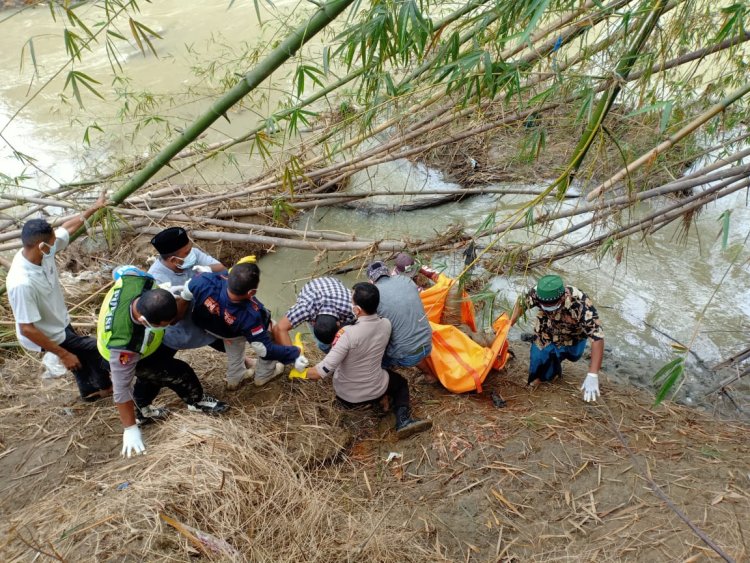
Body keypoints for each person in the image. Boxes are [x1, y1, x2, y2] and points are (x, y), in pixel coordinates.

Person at [97, 267, 229, 458]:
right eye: (163, 325)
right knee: (178, 371)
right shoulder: (125, 344)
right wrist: (129, 428)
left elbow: (120, 270)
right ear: (144, 320)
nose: (168, 326)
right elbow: (121, 388)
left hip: (145, 346)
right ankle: (196, 401)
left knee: (153, 375)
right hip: (119, 354)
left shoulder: (138, 279)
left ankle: (143, 408)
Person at [7, 194, 112, 401]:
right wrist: (62, 354)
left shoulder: (43, 251)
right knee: (96, 348)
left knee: (80, 357)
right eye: (52, 241)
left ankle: (92, 392)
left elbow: (68, 228)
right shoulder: (21, 282)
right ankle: (111, 385)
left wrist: (94, 208)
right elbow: (26, 328)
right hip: (46, 332)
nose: (56, 243)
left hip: (58, 320)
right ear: (41, 246)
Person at [305, 282, 432, 438]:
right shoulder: (386, 325)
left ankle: (381, 403)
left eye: (352, 302)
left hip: (347, 397)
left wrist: (301, 371)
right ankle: (403, 420)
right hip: (376, 389)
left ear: (357, 310)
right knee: (400, 384)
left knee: (391, 380)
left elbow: (321, 372)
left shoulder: (346, 335)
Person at [147, 227, 255, 391]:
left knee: (229, 338)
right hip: (180, 332)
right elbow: (174, 318)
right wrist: (186, 294)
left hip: (206, 319)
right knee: (156, 365)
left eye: (190, 249)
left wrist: (207, 271)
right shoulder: (156, 278)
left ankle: (241, 366)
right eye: (186, 252)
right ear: (173, 260)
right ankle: (142, 404)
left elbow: (222, 269)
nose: (192, 254)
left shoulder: (193, 255)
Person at [181, 263, 308, 384]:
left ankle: (235, 378)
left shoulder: (203, 280)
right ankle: (264, 376)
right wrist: (294, 354)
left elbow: (186, 291)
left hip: (211, 326)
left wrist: (208, 272)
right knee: (271, 333)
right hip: (234, 332)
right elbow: (264, 350)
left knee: (234, 349)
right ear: (251, 292)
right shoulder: (250, 316)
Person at [509, 274, 604, 402]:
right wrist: (509, 324)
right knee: (539, 363)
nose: (549, 308)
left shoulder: (581, 304)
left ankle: (557, 358)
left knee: (574, 356)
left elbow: (597, 337)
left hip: (573, 336)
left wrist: (593, 374)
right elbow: (521, 305)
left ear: (563, 296)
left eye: (552, 305)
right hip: (546, 332)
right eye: (544, 305)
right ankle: (542, 376)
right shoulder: (537, 293)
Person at [366, 261, 432, 373]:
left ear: (371, 280)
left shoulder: (374, 295)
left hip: (408, 354)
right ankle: (429, 374)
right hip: (428, 340)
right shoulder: (405, 280)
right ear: (388, 272)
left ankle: (385, 375)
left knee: (375, 356)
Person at [272, 277, 356, 352]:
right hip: (313, 288)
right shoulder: (306, 308)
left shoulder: (351, 307)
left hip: (334, 287)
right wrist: (294, 358)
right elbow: (279, 328)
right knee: (323, 345)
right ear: (313, 322)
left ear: (338, 323)